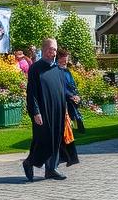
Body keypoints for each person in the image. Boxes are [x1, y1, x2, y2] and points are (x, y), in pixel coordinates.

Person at [22, 37, 68, 182]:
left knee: (56, 139)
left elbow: (62, 91)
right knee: (43, 140)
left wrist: (65, 110)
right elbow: (32, 92)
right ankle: (29, 162)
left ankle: (51, 169)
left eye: (54, 49)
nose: (52, 52)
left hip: (57, 111)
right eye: (49, 49)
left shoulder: (58, 69)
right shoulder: (36, 68)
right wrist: (35, 112)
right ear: (43, 49)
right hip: (42, 111)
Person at [57, 50, 85, 133]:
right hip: (63, 96)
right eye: (64, 59)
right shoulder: (57, 71)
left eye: (66, 59)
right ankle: (72, 128)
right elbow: (61, 86)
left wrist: (76, 95)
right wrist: (70, 96)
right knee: (70, 111)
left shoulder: (66, 70)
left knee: (75, 109)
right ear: (59, 59)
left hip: (71, 95)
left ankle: (77, 127)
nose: (66, 61)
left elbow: (72, 84)